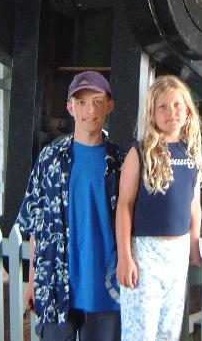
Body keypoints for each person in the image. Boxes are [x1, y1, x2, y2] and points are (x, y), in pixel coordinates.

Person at [17, 70, 124, 340]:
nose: (90, 110)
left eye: (98, 101)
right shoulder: (49, 160)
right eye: (81, 102)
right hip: (55, 284)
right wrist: (33, 281)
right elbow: (37, 226)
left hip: (106, 288)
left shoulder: (121, 162)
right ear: (70, 107)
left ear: (110, 106)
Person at [116, 75, 202, 341]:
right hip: (145, 255)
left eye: (177, 105)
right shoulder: (139, 152)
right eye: (163, 107)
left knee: (168, 332)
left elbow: (194, 206)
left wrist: (194, 251)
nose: (171, 112)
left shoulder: (192, 154)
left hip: (177, 256)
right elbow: (124, 205)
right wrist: (125, 257)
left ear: (188, 110)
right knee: (140, 333)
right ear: (152, 113)